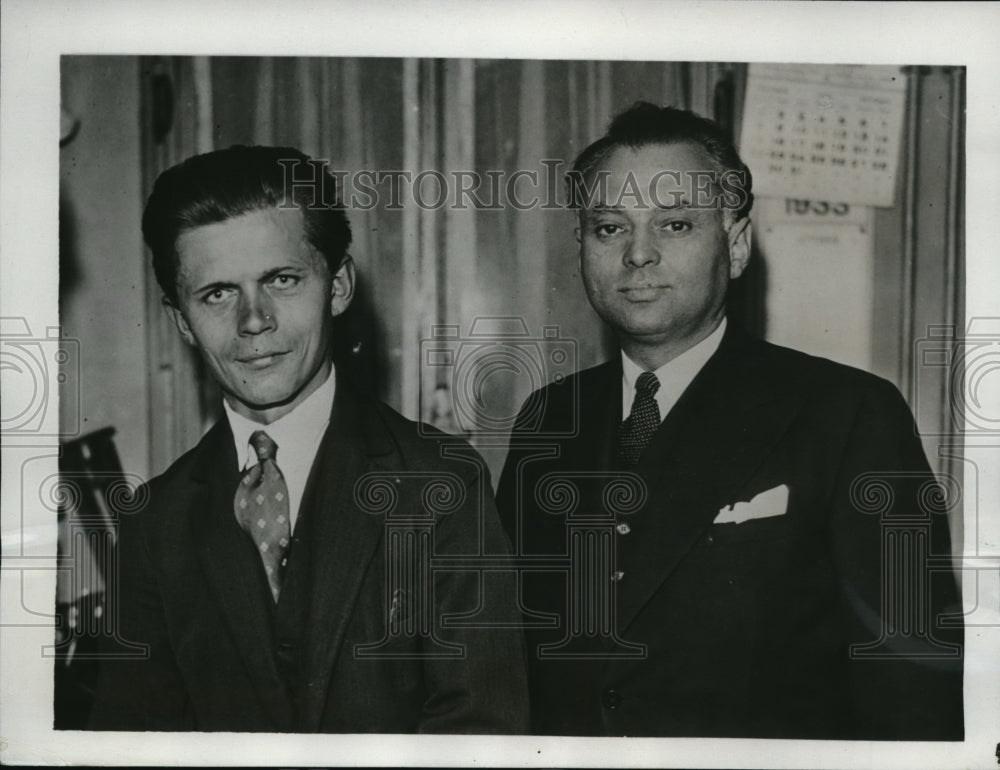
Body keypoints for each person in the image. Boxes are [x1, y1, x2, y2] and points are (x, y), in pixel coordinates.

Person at [496, 103, 964, 739]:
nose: (638, 254)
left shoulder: (847, 413)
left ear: (736, 244)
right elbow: (510, 662)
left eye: (676, 225)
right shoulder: (548, 418)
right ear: (580, 248)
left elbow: (913, 680)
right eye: (609, 228)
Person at [90, 145, 528, 733]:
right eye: (217, 293)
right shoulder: (155, 523)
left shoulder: (440, 483)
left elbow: (481, 730)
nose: (253, 320)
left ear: (338, 285)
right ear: (180, 323)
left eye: (282, 280)